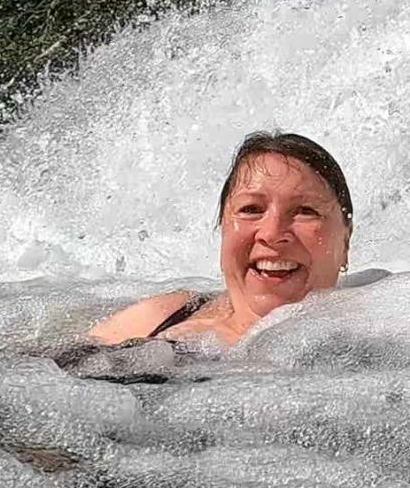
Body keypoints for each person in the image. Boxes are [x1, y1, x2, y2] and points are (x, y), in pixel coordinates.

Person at [88, 131, 354, 347]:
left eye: (305, 211)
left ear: (346, 241)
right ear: (223, 228)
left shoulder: (375, 338)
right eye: (251, 209)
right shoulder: (163, 315)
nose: (272, 234)